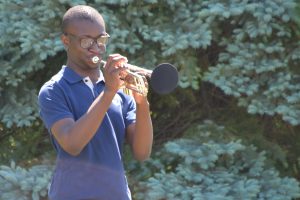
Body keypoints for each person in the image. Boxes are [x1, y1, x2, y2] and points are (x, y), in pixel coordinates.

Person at [38, 5, 153, 200]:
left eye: (101, 39)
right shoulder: (54, 90)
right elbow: (73, 143)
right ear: (66, 40)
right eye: (85, 41)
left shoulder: (122, 92)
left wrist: (142, 103)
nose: (96, 47)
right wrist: (108, 92)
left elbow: (142, 153)